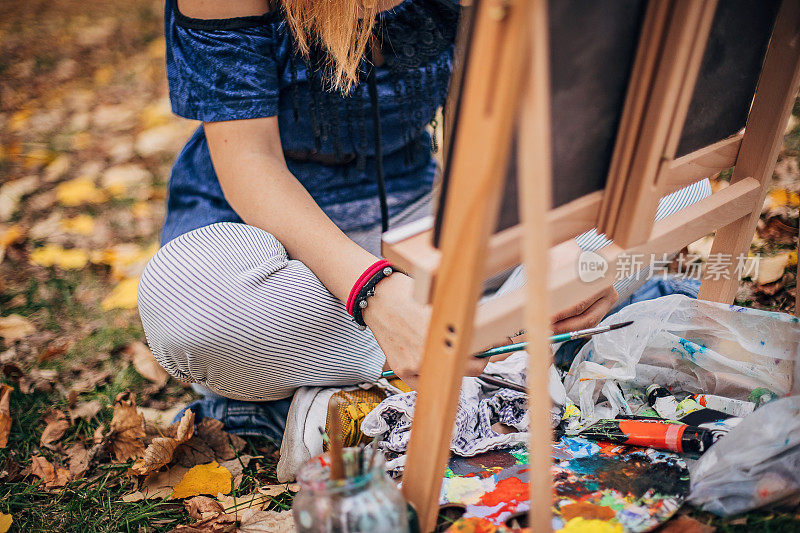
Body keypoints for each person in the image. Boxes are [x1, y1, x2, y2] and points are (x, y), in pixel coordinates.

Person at [138, 0, 708, 436]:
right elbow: (249, 163)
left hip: (425, 220)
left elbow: (541, 106)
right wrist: (373, 292)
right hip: (266, 246)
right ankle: (505, 355)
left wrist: (565, 240)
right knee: (187, 304)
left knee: (678, 185)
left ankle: (445, 373)